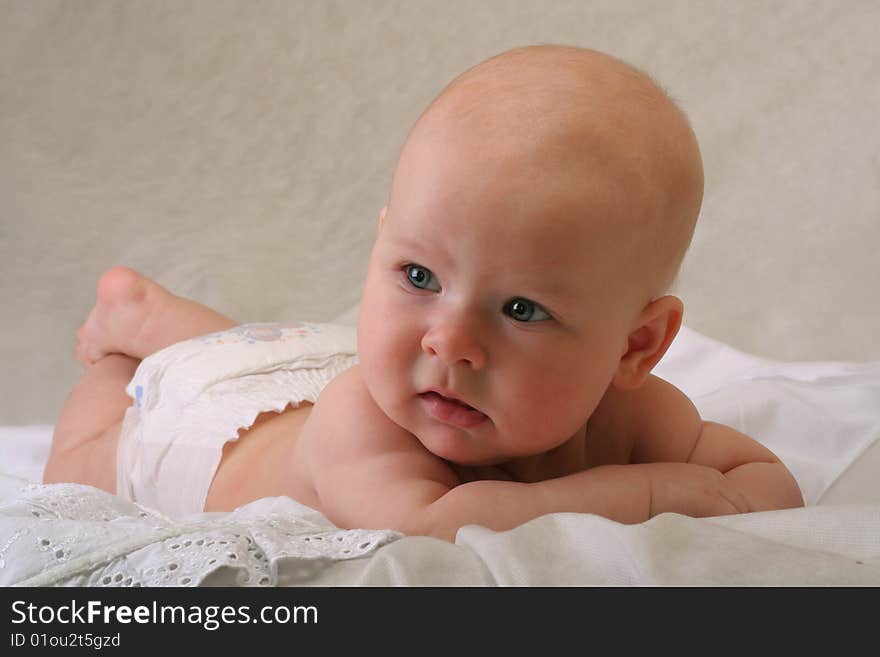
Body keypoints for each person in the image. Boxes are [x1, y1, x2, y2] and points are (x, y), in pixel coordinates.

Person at [44, 45, 803, 541]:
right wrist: (656, 493)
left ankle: (158, 316)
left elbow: (764, 481)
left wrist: (706, 486)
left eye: (521, 309)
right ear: (383, 241)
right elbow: (443, 524)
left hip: (304, 365)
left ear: (636, 345)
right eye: (418, 276)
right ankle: (129, 337)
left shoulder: (634, 418)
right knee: (83, 457)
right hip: (192, 434)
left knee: (254, 356)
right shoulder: (359, 422)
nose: (448, 339)